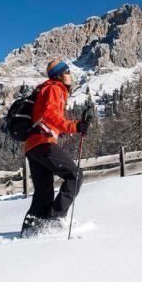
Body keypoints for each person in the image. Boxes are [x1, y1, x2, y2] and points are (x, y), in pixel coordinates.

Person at [21, 60, 93, 237]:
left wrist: (62, 131)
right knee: (75, 175)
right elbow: (49, 114)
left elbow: (44, 117)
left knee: (44, 190)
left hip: (32, 146)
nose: (70, 74)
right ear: (59, 75)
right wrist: (74, 126)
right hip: (43, 143)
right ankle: (55, 219)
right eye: (67, 71)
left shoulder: (45, 89)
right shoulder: (54, 88)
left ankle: (31, 229)